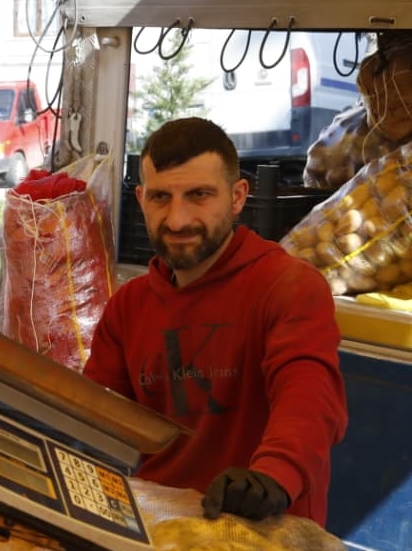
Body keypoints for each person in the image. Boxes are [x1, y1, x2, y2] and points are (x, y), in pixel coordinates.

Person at [83, 117, 347, 523]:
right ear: (140, 198)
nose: (177, 219)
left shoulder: (289, 286)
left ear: (238, 197)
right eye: (160, 197)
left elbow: (310, 397)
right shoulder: (128, 306)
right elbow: (92, 421)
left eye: (199, 195)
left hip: (266, 534)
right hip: (159, 533)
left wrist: (274, 476)